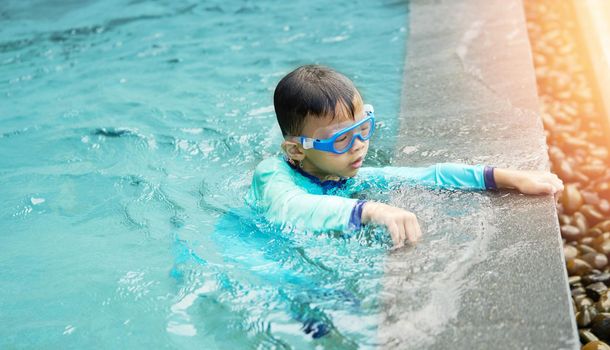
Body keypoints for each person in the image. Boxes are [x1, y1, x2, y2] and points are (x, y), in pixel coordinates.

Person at [247, 64, 564, 247]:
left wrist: (506, 177)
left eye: (364, 129)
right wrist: (372, 210)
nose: (358, 145)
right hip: (258, 253)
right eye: (341, 139)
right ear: (296, 150)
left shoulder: (334, 171)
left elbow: (426, 176)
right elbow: (291, 209)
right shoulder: (271, 175)